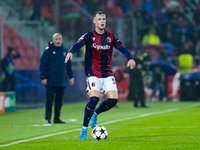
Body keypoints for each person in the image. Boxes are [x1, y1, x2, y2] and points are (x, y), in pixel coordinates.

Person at [65, 11, 136, 140]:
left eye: (104, 19)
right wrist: (71, 52)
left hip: (107, 73)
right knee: (94, 99)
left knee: (113, 100)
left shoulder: (111, 37)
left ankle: (95, 114)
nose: (102, 21)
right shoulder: (89, 36)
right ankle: (84, 129)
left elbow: (123, 48)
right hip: (92, 74)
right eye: (99, 19)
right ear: (94, 21)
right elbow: (78, 44)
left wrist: (130, 58)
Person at [39, 33, 74, 124]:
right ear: (53, 40)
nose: (58, 41)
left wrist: (71, 76)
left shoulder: (65, 51)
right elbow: (43, 65)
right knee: (49, 100)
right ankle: (48, 118)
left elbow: (68, 66)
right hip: (50, 80)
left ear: (62, 40)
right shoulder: (48, 51)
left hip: (61, 80)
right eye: (56, 39)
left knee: (59, 101)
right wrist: (43, 77)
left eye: (59, 39)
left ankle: (57, 118)